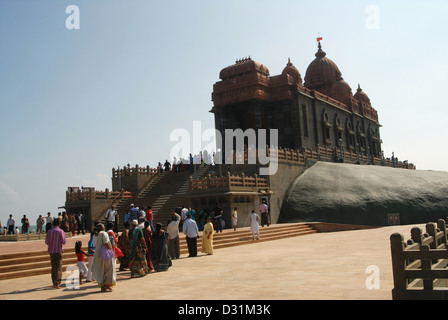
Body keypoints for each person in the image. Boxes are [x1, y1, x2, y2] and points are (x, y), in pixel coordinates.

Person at [91, 223, 116, 292]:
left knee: (103, 270)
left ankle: (103, 285)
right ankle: (106, 285)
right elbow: (106, 242)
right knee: (109, 269)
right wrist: (110, 248)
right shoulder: (104, 233)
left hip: (100, 254)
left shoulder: (97, 235)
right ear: (103, 228)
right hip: (106, 254)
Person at [45, 218, 66, 289]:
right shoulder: (61, 231)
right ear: (59, 224)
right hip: (58, 250)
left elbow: (47, 242)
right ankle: (57, 283)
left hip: (51, 251)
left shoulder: (49, 232)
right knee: (59, 267)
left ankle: (54, 281)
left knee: (53, 267)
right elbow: (63, 241)